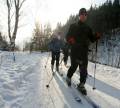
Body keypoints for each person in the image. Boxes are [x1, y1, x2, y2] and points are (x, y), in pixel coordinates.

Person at [65, 8, 101, 95]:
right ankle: (68, 77)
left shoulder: (88, 28)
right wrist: (71, 40)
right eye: (82, 14)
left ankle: (81, 84)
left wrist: (96, 36)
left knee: (83, 69)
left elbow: (92, 39)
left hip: (84, 51)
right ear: (79, 15)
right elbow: (67, 37)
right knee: (74, 66)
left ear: (86, 16)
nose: (84, 16)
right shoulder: (73, 26)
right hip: (75, 50)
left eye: (85, 15)